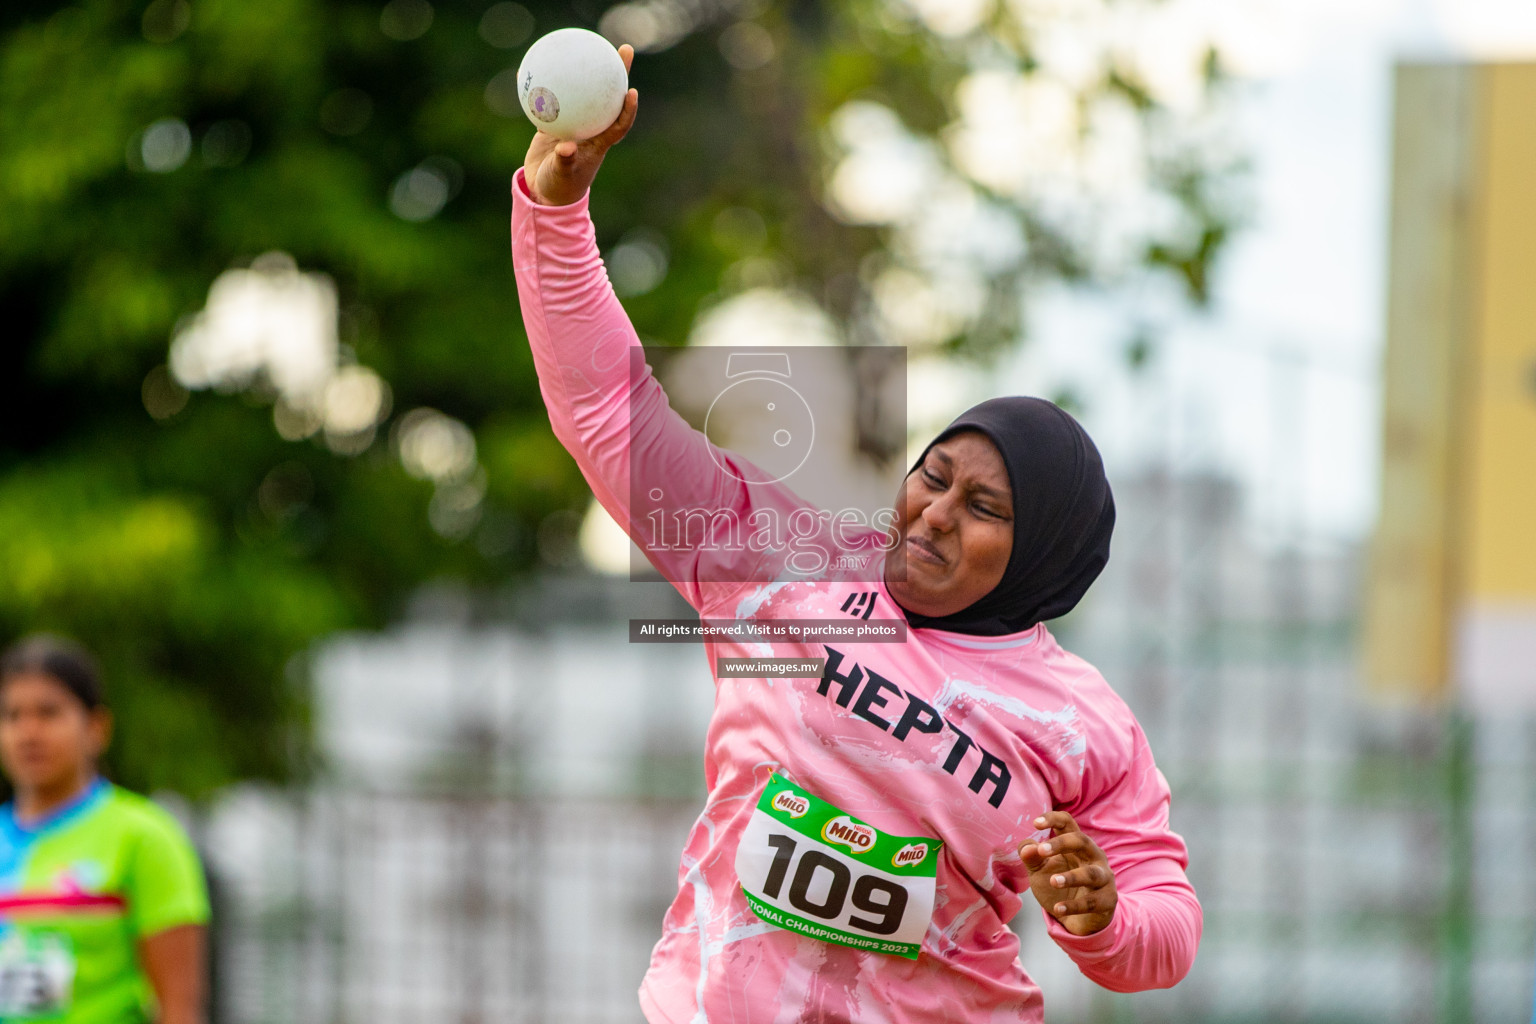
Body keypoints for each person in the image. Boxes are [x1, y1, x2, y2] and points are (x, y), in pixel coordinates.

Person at [512, 45, 1199, 1022]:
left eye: (985, 509)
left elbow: (1162, 929)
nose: (932, 512)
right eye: (934, 475)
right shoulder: (772, 565)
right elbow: (607, 414)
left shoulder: (1081, 725)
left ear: (1043, 557)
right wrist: (556, 212)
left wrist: (1105, 917)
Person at [0, 635, 210, 1024]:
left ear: (97, 728)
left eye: (48, 713)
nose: (28, 733)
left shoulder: (143, 837)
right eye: (12, 716)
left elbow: (179, 1009)